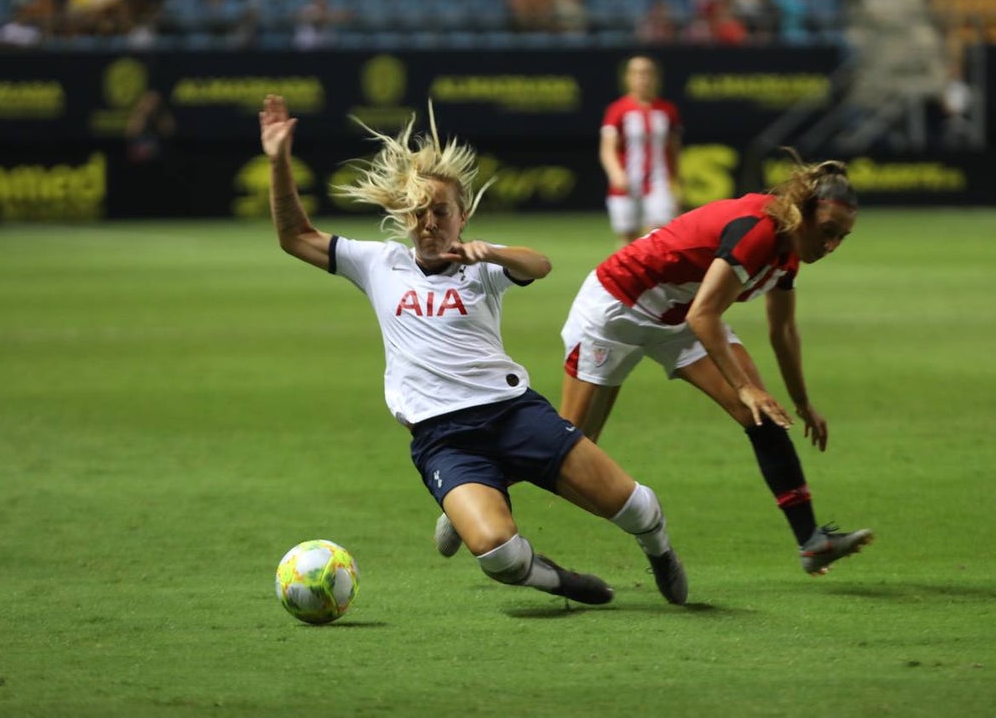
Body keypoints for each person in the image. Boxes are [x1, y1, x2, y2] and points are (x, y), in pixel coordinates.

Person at [259, 94, 687, 607]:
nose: (430, 222)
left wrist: (495, 252)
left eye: (441, 211)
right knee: (498, 556)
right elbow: (293, 235)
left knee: (636, 507)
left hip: (513, 413)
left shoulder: (481, 264)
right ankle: (559, 581)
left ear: (463, 216)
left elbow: (540, 265)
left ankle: (660, 553)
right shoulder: (378, 263)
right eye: (419, 212)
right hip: (443, 437)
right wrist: (279, 160)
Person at [438, 150, 873, 577]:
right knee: (571, 444)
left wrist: (801, 402)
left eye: (843, 238)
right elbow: (706, 316)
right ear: (804, 213)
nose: (832, 245)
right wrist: (745, 384)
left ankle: (811, 542)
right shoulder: (757, 231)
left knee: (761, 417)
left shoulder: (789, 252)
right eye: (829, 231)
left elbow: (783, 332)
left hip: (677, 315)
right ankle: (477, 489)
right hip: (615, 308)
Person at [600, 55, 682, 246]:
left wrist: (677, 183)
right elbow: (607, 148)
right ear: (627, 77)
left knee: (659, 234)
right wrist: (616, 174)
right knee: (628, 238)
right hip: (626, 182)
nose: (642, 78)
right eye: (637, 73)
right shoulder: (617, 110)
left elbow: (674, 149)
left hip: (658, 181)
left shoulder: (667, 110)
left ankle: (653, 275)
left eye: (647, 73)